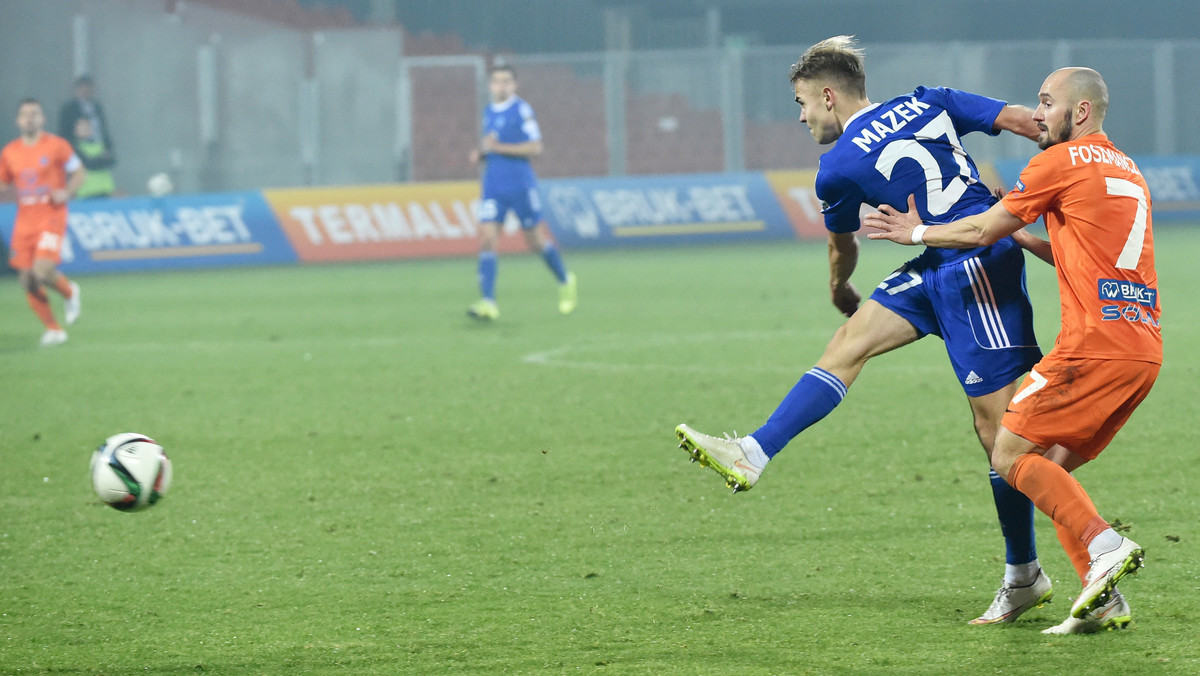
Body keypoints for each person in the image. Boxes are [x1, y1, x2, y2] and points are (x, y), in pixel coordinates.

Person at [673, 36, 1053, 624]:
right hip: (935, 260)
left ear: (828, 95)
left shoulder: (838, 165)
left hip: (976, 264)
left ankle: (1033, 569)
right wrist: (1081, 156)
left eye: (802, 103)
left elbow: (841, 247)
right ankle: (753, 451)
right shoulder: (933, 98)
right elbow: (1028, 122)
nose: (801, 117)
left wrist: (837, 289)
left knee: (1001, 436)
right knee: (848, 345)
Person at [866, 67, 1158, 634]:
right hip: (1141, 350)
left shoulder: (1057, 162)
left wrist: (917, 234)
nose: (1037, 114)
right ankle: (1102, 600)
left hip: (1090, 351)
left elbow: (977, 232)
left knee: (1007, 453)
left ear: (1080, 113)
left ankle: (1106, 544)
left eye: (1047, 103)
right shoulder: (1125, 168)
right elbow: (1090, 257)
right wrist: (1025, 239)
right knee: (1046, 473)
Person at [467, 63, 577, 321]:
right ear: (490, 85)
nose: (501, 85)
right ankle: (488, 303)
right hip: (493, 184)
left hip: (520, 184)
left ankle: (565, 279)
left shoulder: (522, 110)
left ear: (514, 85)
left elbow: (535, 147)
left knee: (534, 241)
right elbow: (493, 147)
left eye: (506, 81)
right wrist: (483, 153)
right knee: (487, 239)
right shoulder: (488, 112)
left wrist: (499, 147)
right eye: (496, 81)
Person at [0, 99, 85, 346]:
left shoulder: (57, 146)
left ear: (42, 118)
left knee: (41, 271)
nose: (29, 118)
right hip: (24, 220)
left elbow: (79, 172)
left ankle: (70, 292)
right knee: (26, 279)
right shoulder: (10, 152)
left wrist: (68, 192)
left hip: (51, 215)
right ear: (18, 120)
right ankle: (54, 329)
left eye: (34, 114)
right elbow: (3, 183)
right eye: (25, 114)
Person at [58, 75, 115, 159]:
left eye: (88, 87)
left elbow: (104, 129)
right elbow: (64, 131)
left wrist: (109, 148)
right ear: (76, 89)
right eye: (82, 87)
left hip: (99, 148)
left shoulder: (97, 107)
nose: (85, 90)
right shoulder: (69, 108)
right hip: (78, 149)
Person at [70, 117, 116, 199]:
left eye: (86, 127)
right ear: (75, 131)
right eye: (81, 127)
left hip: (105, 190)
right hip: (85, 192)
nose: (84, 129)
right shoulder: (74, 149)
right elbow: (88, 163)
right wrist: (101, 158)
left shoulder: (101, 145)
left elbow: (112, 160)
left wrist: (93, 160)